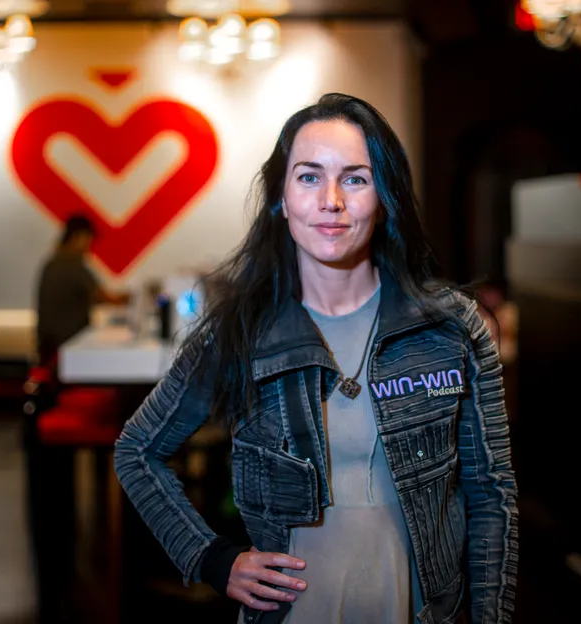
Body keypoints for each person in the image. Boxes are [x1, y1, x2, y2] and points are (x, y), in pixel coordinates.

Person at [114, 94, 518, 624]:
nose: (331, 200)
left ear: (386, 196)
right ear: (281, 198)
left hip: (422, 610)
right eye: (308, 177)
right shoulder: (239, 331)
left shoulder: (452, 330)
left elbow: (490, 495)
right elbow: (136, 451)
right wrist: (212, 558)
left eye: (355, 178)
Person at [35, 215, 130, 364]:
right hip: (66, 350)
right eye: (88, 240)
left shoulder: (53, 263)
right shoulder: (71, 264)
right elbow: (104, 297)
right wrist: (132, 297)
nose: (89, 247)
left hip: (52, 348)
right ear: (78, 237)